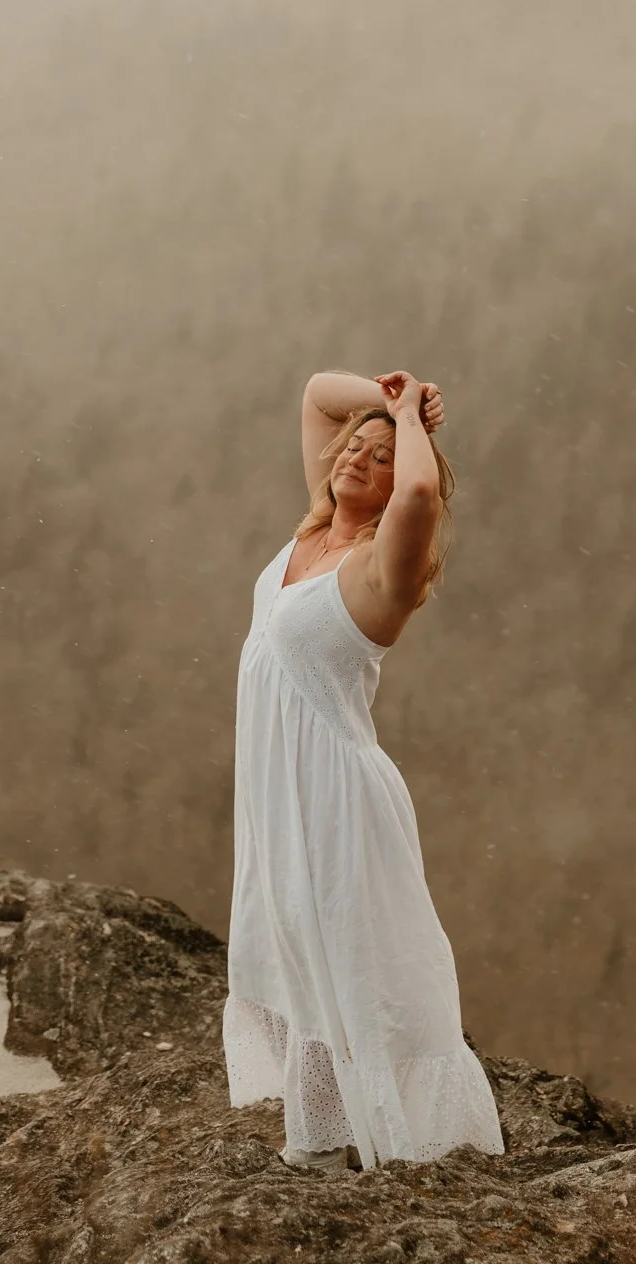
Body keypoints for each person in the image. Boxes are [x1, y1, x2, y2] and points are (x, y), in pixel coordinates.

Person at [222, 367, 505, 1172]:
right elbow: (315, 391)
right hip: (279, 790)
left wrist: (412, 425)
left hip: (336, 795)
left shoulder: (386, 566)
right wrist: (395, 398)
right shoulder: (311, 534)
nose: (359, 459)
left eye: (380, 460)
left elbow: (420, 494)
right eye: (357, 447)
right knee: (297, 947)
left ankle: (413, 1142)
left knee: (360, 957)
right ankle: (323, 1134)